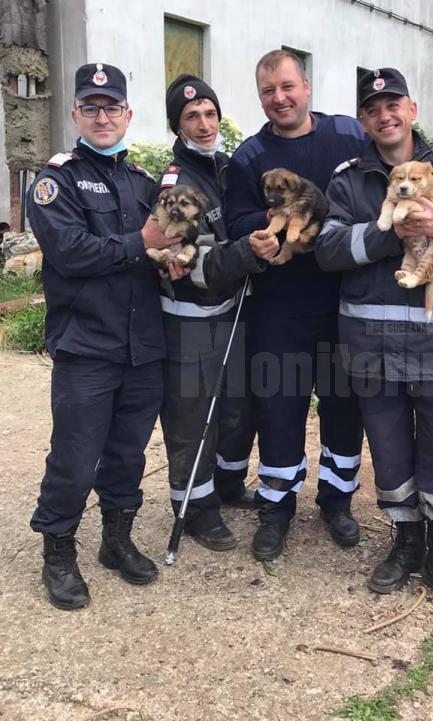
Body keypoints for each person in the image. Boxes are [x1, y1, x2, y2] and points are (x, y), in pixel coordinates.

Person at [315, 68, 433, 622]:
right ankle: (405, 543)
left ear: (411, 110)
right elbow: (327, 250)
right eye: (373, 109)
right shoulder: (347, 179)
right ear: (364, 121)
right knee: (389, 450)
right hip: (370, 344)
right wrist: (384, 232)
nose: (385, 115)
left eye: (393, 105)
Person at [27, 63, 181, 610]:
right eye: (90, 106)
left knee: (128, 454)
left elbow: (161, 250)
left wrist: (171, 260)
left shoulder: (144, 182)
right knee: (75, 454)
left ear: (127, 114)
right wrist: (143, 242)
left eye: (112, 106)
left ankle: (116, 540)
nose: (102, 116)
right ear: (75, 114)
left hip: (143, 346)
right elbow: (70, 254)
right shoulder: (55, 181)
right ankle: (59, 552)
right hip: (87, 347)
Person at [225, 50, 367, 561]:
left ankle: (338, 501)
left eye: (287, 86)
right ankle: (276, 507)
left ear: (306, 86)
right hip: (279, 308)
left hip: (344, 304)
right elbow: (234, 219)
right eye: (268, 91)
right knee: (280, 410)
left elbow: (395, 164)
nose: (279, 98)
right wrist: (261, 231)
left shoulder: (350, 135)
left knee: (343, 409)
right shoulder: (248, 157)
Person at [157, 74, 268, 552]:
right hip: (190, 318)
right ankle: (195, 507)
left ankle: (225, 484)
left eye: (209, 113)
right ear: (177, 126)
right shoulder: (177, 184)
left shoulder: (224, 168)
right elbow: (189, 265)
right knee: (191, 417)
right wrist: (247, 253)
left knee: (233, 406)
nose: (204, 124)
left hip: (230, 311)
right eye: (191, 117)